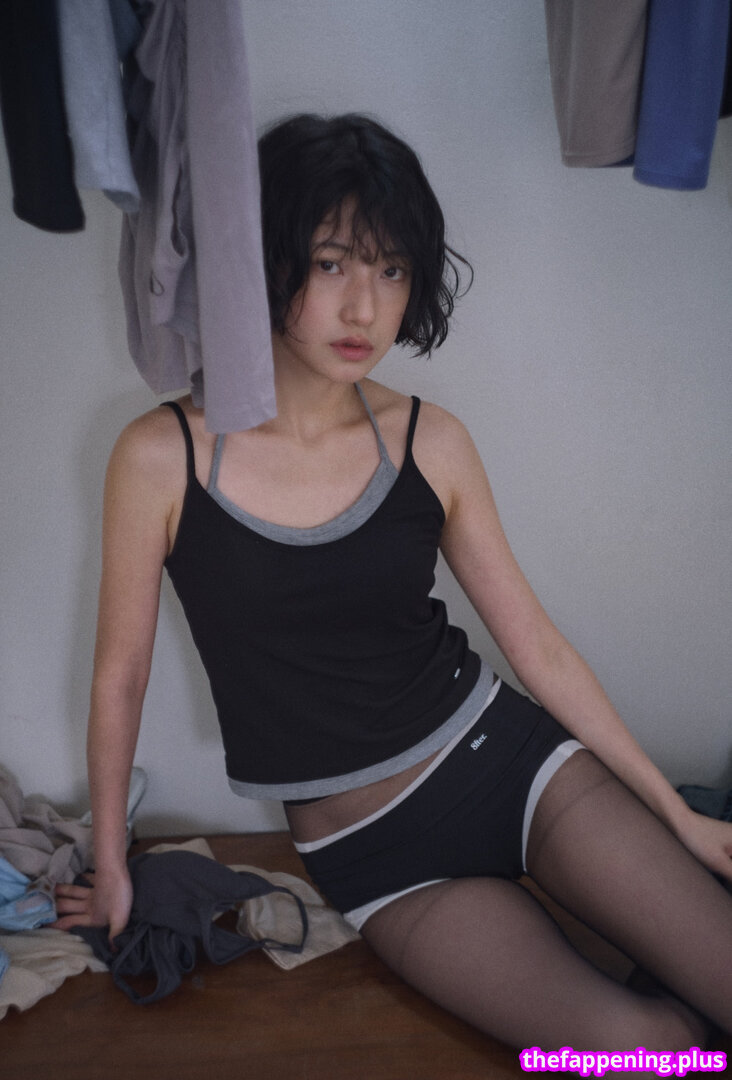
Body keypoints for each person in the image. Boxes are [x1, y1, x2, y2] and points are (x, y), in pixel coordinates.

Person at [55, 113, 732, 1056]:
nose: (364, 309)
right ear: (264, 260)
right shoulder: (157, 456)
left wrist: (675, 817)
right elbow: (119, 677)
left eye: (392, 269)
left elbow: (538, 650)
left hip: (513, 768)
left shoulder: (430, 440)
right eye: (331, 263)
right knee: (643, 1052)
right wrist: (114, 866)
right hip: (375, 857)